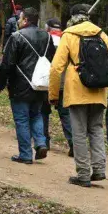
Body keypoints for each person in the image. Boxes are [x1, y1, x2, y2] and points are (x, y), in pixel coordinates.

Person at [49, 4, 108, 187]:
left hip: (76, 91)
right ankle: (99, 170)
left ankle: (83, 174)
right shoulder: (100, 34)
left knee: (79, 133)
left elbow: (57, 68)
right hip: (98, 91)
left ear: (72, 17)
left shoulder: (69, 35)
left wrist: (53, 94)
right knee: (96, 129)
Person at [0, 7, 54, 164]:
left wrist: (0, 84)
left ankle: (26, 154)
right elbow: (51, 60)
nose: (18, 21)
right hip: (41, 84)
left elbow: (7, 64)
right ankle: (41, 143)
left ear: (26, 20)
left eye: (20, 19)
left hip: (20, 84)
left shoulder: (16, 37)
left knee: (21, 119)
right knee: (36, 115)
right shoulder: (48, 37)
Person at [43, 18, 73, 156]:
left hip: (46, 83)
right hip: (65, 83)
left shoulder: (43, 41)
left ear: (47, 28)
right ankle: (73, 143)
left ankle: (44, 142)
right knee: (66, 115)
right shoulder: (67, 40)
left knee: (43, 112)